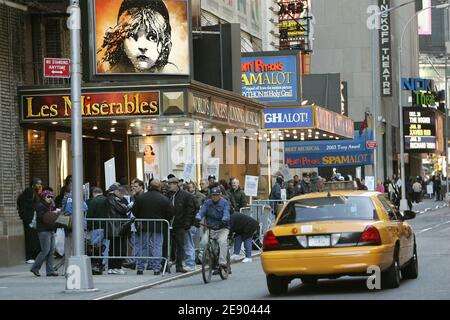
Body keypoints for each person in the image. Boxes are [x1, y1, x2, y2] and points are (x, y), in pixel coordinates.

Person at [97, 0, 178, 73]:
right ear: (120, 40)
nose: (142, 46)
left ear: (165, 42)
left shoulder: (173, 75)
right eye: (132, 35)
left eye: (152, 37)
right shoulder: (110, 75)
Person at [132, 179, 174, 275]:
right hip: (158, 226)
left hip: (144, 225)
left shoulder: (141, 198)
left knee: (143, 246)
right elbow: (170, 214)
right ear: (159, 187)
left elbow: (134, 212)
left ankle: (140, 268)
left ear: (149, 186)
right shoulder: (164, 199)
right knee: (157, 247)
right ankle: (156, 268)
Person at [194, 187, 230, 270]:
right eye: (213, 195)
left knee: (222, 242)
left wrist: (225, 219)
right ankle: (208, 260)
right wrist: (198, 218)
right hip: (211, 228)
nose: (215, 197)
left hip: (222, 228)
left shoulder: (224, 203)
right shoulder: (207, 203)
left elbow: (226, 212)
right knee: (203, 242)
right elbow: (202, 211)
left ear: (220, 195)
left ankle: (222, 262)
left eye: (216, 195)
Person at [167, 177, 196, 273]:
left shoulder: (186, 196)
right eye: (169, 184)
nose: (169, 186)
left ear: (176, 184)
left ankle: (179, 266)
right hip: (169, 224)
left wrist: (188, 222)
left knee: (181, 246)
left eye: (171, 184)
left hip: (180, 224)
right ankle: (166, 265)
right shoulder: (168, 195)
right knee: (167, 245)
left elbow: (190, 210)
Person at [30, 190, 60, 277]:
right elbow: (42, 217)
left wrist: (56, 213)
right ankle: (35, 268)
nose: (50, 199)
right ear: (44, 197)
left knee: (51, 251)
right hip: (43, 230)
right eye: (48, 197)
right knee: (45, 251)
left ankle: (50, 271)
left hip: (51, 230)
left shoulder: (51, 206)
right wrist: (52, 214)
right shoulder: (40, 206)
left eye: (51, 197)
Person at [105, 184, 130, 275]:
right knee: (117, 249)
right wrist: (129, 206)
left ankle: (112, 267)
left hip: (115, 227)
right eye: (119, 191)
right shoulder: (112, 199)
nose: (121, 193)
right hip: (116, 227)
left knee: (114, 248)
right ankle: (116, 267)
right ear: (114, 191)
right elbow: (122, 209)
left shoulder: (111, 199)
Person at [17, 177, 43, 264]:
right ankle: (30, 256)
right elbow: (27, 206)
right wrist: (27, 218)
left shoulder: (35, 193)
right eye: (38, 183)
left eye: (40, 184)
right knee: (31, 238)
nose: (39, 185)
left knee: (35, 238)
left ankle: (35, 256)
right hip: (30, 220)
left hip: (33, 220)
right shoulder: (29, 192)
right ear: (33, 184)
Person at [86, 187, 108, 275]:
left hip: (96, 227)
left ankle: (96, 265)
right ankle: (103, 265)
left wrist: (88, 227)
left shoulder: (93, 201)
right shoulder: (107, 200)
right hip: (106, 227)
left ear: (93, 193)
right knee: (104, 247)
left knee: (95, 247)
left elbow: (89, 216)